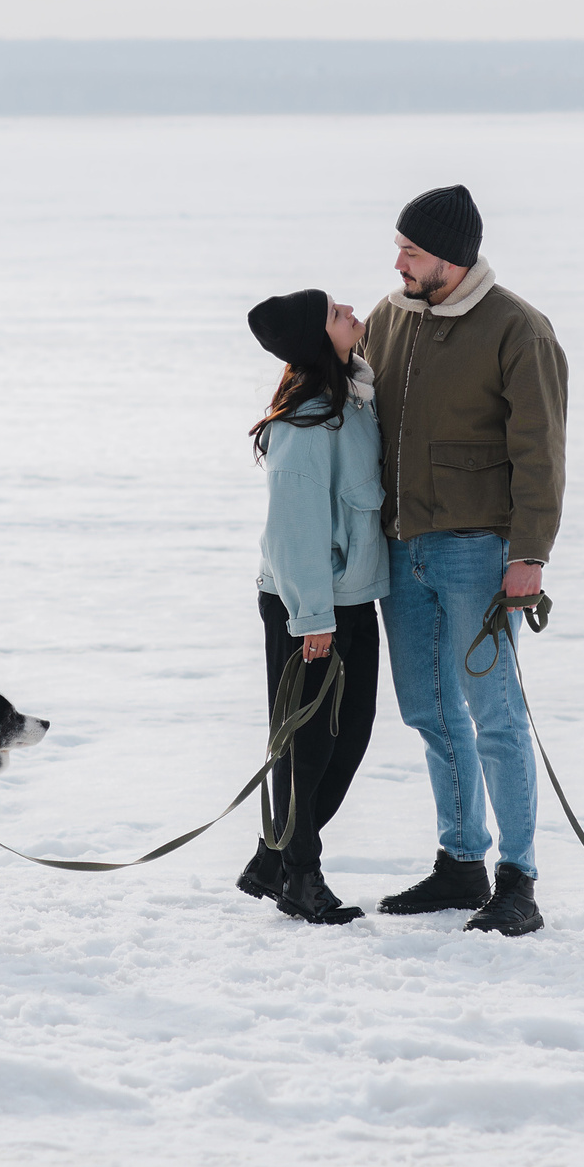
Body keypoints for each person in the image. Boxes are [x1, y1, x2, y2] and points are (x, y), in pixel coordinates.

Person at [363, 185, 568, 937]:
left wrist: (531, 555)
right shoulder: (391, 316)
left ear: (450, 257)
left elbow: (540, 455)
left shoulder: (520, 330)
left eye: (410, 251)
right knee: (428, 710)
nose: (397, 262)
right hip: (401, 546)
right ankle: (461, 863)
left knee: (496, 716)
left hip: (480, 555)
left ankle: (518, 879)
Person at [240, 288, 387, 925]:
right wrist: (313, 621)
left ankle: (274, 859)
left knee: (346, 740)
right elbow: (294, 532)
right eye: (335, 313)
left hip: (351, 598)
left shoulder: (351, 400)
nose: (351, 311)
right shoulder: (304, 425)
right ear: (317, 340)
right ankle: (301, 875)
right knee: (310, 748)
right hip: (312, 609)